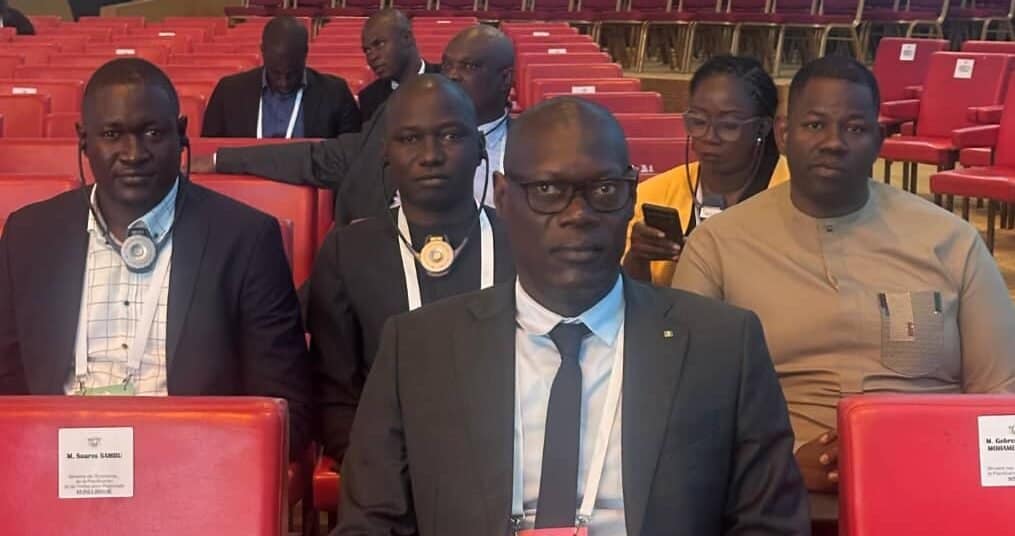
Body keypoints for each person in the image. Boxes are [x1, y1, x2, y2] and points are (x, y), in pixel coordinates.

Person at [334, 97, 808, 535]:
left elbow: (769, 526)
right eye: (547, 189)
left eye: (604, 189)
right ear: (503, 195)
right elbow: (370, 525)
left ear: (630, 196)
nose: (578, 214)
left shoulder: (723, 345)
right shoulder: (419, 349)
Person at [672, 56, 1015, 498]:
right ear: (783, 134)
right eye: (815, 125)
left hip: (933, 483)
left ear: (878, 141)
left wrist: (947, 470)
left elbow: (999, 398)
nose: (833, 142)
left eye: (854, 128)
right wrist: (778, 466)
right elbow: (690, 401)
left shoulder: (951, 242)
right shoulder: (718, 246)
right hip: (771, 496)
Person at [0, 59, 312, 458]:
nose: (133, 154)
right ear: (83, 141)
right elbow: (7, 380)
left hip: (192, 463)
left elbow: (286, 411)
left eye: (152, 133)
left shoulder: (245, 239)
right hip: (54, 462)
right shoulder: (29, 235)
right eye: (112, 134)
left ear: (181, 134)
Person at [310, 74, 515, 463]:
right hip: (389, 472)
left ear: (480, 147)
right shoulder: (347, 253)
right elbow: (335, 399)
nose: (430, 155)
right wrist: (386, 476)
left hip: (511, 465)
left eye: (451, 136)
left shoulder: (523, 247)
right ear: (386, 152)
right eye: (409, 139)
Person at [191, 25, 515, 226]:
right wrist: (221, 159)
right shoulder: (393, 122)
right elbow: (318, 158)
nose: (452, 76)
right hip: (384, 271)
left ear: (505, 79)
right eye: (447, 65)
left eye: (469, 67)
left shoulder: (528, 147)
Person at [623, 56, 789, 286]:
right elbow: (628, 295)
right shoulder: (651, 194)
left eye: (729, 125)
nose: (710, 137)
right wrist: (637, 258)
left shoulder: (798, 195)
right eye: (699, 122)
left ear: (762, 127)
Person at [201, 16, 361, 139]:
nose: (284, 82)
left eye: (293, 74)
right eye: (275, 73)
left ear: (306, 53)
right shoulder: (228, 93)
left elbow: (351, 155)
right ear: (262, 51)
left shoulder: (335, 94)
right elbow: (208, 150)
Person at [357, 8, 440, 123]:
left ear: (407, 38)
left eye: (379, 44)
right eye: (367, 50)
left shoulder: (449, 82)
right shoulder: (369, 98)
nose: (372, 57)